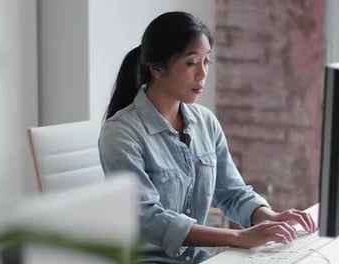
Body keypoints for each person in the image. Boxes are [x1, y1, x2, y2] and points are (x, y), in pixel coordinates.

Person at [98, 11, 317, 263]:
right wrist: (236, 237)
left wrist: (268, 216)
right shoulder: (121, 133)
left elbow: (232, 192)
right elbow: (147, 218)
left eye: (207, 61)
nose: (202, 74)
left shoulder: (205, 122)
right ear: (157, 68)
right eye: (191, 63)